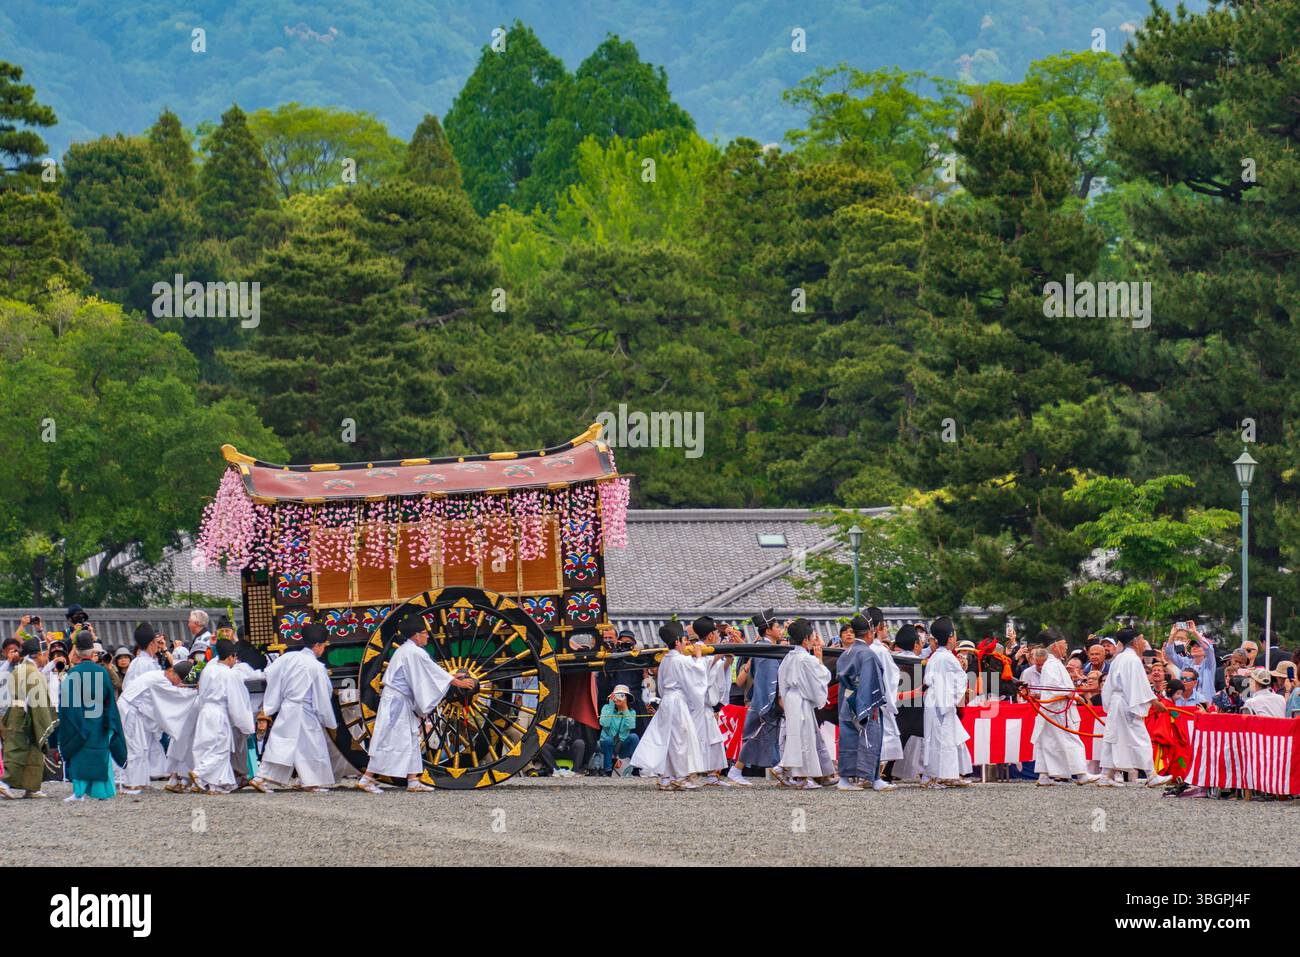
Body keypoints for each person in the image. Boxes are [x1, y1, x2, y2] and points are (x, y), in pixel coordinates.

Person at [356, 615, 474, 794]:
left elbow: (430, 673)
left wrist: (450, 677)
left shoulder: (407, 651)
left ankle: (413, 780)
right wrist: (457, 683)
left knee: (409, 739)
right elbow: (429, 676)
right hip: (398, 702)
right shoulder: (414, 652)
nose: (428, 636)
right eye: (425, 633)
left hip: (398, 701)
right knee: (389, 738)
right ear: (416, 635)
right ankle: (367, 778)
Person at [251, 623, 338, 793]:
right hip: (305, 710)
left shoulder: (288, 657)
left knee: (282, 743)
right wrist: (327, 718)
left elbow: (269, 674)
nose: (323, 650)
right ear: (318, 645)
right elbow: (322, 694)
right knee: (312, 746)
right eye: (323, 646)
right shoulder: (316, 667)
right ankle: (311, 782)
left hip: (288, 706)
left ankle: (261, 777)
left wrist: (273, 701)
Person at [630, 622, 709, 790]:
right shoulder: (681, 660)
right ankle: (680, 777)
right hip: (677, 703)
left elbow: (660, 686)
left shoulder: (666, 659)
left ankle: (667, 777)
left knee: (668, 740)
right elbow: (697, 677)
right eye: (684, 640)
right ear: (678, 642)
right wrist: (699, 658)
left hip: (667, 701)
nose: (686, 643)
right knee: (680, 740)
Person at [58, 632, 128, 802]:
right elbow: (109, 702)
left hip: (78, 723)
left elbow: (66, 705)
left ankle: (79, 792)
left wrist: (71, 725)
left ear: (77, 652)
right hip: (99, 723)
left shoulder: (72, 674)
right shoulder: (102, 672)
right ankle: (103, 792)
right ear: (92, 652)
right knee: (99, 756)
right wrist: (110, 722)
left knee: (79, 756)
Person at [1026, 634, 1099, 786]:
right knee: (1070, 740)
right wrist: (1071, 694)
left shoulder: (1054, 663)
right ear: (1054, 646)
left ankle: (1044, 776)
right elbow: (1055, 687)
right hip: (1058, 710)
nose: (1066, 647)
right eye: (1064, 644)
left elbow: (1054, 687)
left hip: (1052, 710)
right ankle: (1082, 774)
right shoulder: (1052, 664)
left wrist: (1073, 692)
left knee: (1047, 742)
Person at [190, 638, 256, 794]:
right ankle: (199, 773)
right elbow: (237, 701)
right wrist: (245, 725)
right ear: (231, 657)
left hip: (205, 712)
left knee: (206, 748)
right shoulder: (229, 674)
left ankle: (215, 785)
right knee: (220, 750)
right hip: (219, 713)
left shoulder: (208, 670)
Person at [1098, 628, 1161, 787]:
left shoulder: (1119, 658)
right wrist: (1154, 701)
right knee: (1141, 738)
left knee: (1113, 738)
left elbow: (1110, 685)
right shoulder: (1132, 660)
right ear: (1134, 641)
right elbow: (1138, 685)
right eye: (1141, 639)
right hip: (1127, 703)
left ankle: (1105, 775)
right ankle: (1151, 775)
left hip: (1118, 702)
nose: (1143, 642)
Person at [730, 609, 785, 786]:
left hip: (761, 699)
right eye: (778, 626)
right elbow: (768, 679)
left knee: (768, 737)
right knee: (756, 737)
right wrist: (772, 700)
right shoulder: (766, 649)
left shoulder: (764, 646)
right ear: (768, 630)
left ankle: (781, 770)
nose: (781, 629)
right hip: (765, 700)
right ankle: (736, 770)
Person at [776, 618, 832, 789]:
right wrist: (820, 660)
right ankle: (801, 775)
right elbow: (822, 678)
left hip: (791, 698)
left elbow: (782, 680)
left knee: (796, 736)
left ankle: (793, 772)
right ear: (806, 639)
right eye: (813, 638)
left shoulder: (789, 657)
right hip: (801, 699)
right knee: (804, 738)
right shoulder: (807, 659)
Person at [835, 613, 889, 791]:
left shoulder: (846, 652)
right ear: (869, 633)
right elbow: (869, 680)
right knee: (870, 736)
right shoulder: (867, 654)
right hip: (863, 699)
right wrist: (868, 705)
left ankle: (844, 778)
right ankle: (872, 778)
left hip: (847, 698)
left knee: (848, 739)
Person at [920, 616, 972, 789]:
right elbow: (959, 680)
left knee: (949, 739)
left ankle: (948, 774)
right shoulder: (947, 658)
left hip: (937, 701)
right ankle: (933, 777)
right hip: (941, 703)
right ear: (950, 637)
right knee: (940, 740)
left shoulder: (937, 656)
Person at [1, 636, 56, 799]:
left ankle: (32, 787)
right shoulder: (33, 673)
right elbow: (38, 701)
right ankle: (4, 783)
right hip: (27, 714)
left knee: (31, 750)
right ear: (38, 654)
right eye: (44, 654)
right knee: (19, 749)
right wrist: (45, 721)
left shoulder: (20, 669)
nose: (45, 657)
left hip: (16, 712)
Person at [688, 616, 733, 787]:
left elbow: (715, 670)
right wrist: (722, 650)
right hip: (697, 704)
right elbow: (703, 669)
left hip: (707, 705)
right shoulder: (697, 650)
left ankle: (712, 775)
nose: (716, 634)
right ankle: (687, 775)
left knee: (713, 739)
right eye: (715, 631)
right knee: (696, 738)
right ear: (710, 635)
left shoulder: (708, 649)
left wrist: (727, 658)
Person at [862, 608, 904, 768]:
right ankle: (874, 775)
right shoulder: (879, 650)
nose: (886, 629)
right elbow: (890, 678)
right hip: (879, 699)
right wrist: (889, 700)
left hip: (864, 700)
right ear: (878, 627)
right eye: (885, 626)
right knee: (882, 736)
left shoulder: (862, 648)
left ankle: (868, 773)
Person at [1163, 623, 1215, 705]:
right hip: (1185, 702)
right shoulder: (1185, 662)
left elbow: (1209, 650)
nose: (1194, 647)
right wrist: (1172, 635)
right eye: (1192, 645)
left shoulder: (1209, 664)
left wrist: (1194, 632)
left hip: (1205, 704)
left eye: (1198, 646)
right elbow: (1170, 653)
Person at [597, 684, 639, 776]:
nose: (619, 698)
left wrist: (624, 708)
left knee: (634, 737)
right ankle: (607, 769)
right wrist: (611, 706)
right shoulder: (606, 708)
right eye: (617, 695)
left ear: (627, 698)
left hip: (622, 746)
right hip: (607, 744)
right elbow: (604, 723)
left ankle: (635, 767)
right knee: (608, 740)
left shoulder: (631, 712)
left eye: (622, 695)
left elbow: (631, 726)